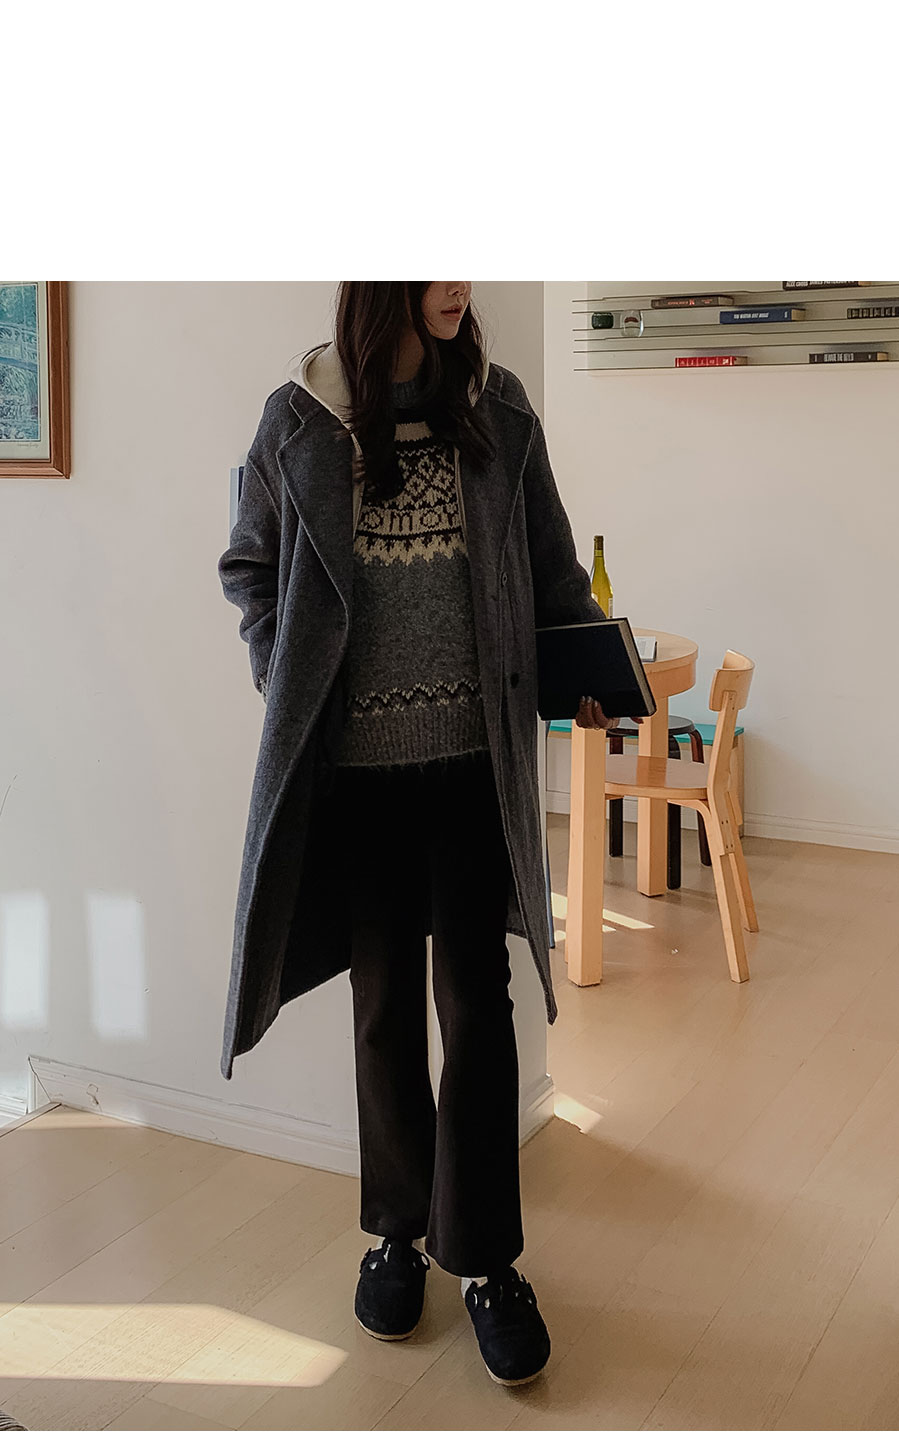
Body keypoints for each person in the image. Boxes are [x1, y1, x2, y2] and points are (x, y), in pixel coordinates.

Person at [218, 282, 630, 1387]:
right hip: (355, 778)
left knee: (479, 1013)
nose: (460, 287)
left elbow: (549, 569)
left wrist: (584, 664)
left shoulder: (498, 409)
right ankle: (395, 1234)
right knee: (385, 1007)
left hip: (470, 771)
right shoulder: (301, 418)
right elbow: (248, 565)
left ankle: (486, 1258)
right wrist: (284, 672)